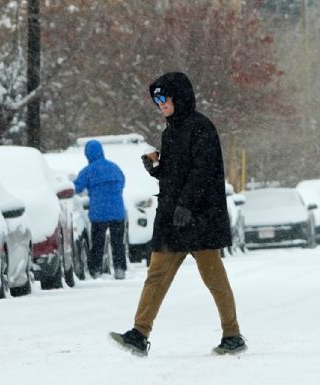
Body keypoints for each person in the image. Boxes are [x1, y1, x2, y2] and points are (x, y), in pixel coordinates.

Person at [110, 72, 246, 356]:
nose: (160, 104)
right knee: (156, 273)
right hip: (174, 218)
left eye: (164, 97)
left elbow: (203, 172)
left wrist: (186, 204)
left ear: (179, 97)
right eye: (156, 99)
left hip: (200, 217)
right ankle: (139, 333)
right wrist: (157, 169)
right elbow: (175, 175)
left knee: (213, 276)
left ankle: (232, 335)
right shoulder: (170, 132)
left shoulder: (201, 128)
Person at [74, 140, 127, 279]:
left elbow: (77, 188)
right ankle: (120, 269)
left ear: (88, 154)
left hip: (99, 213)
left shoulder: (88, 171)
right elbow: (122, 182)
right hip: (117, 212)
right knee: (118, 243)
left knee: (98, 243)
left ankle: (95, 270)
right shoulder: (114, 167)